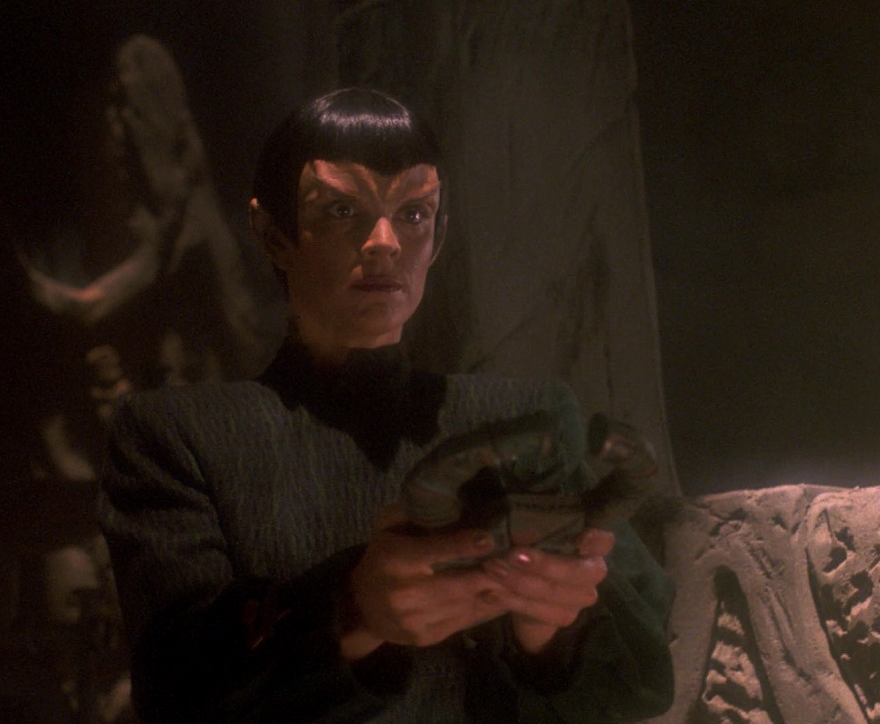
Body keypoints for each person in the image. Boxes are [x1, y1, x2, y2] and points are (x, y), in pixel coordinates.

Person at [98, 87, 674, 723]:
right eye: (342, 209)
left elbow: (642, 681)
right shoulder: (177, 436)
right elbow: (175, 688)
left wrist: (548, 631)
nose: (384, 242)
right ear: (273, 234)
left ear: (439, 234)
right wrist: (349, 610)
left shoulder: (528, 419)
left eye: (414, 214)